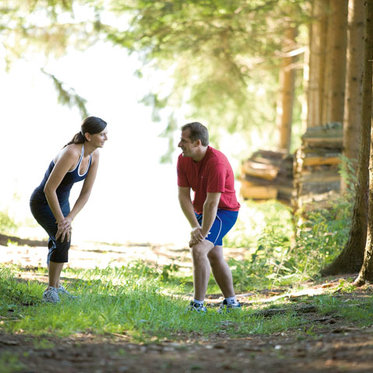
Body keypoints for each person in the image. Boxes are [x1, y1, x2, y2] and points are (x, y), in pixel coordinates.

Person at [30, 116, 108, 303]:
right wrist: (60, 220)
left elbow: (86, 192)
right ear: (88, 136)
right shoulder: (72, 153)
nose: (106, 137)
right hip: (43, 202)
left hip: (61, 202)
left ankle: (55, 286)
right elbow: (49, 189)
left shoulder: (94, 155)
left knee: (60, 236)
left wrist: (69, 218)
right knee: (63, 238)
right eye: (102, 134)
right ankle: (50, 290)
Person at [177, 122, 241, 313]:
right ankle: (232, 303)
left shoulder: (217, 163)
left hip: (224, 211)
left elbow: (212, 203)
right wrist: (194, 226)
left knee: (199, 249)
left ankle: (198, 305)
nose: (179, 144)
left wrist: (201, 233)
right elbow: (183, 196)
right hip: (203, 211)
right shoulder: (183, 159)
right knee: (214, 255)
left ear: (197, 143)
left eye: (184, 140)